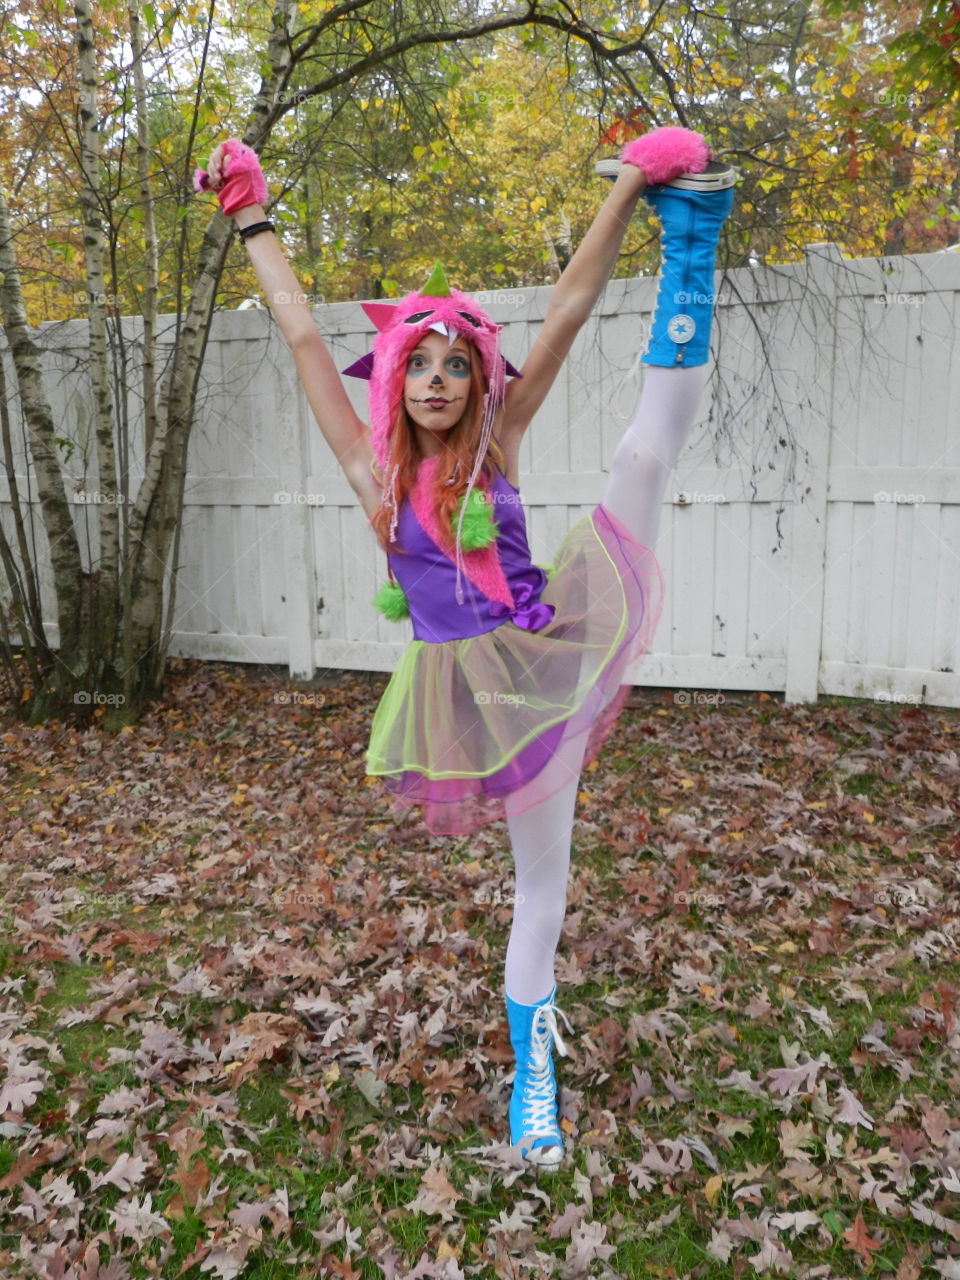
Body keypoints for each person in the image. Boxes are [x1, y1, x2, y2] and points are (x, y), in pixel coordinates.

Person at [195, 127, 735, 1167]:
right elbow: (305, 336)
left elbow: (571, 308)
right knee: (538, 888)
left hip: (554, 652)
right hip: (469, 701)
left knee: (640, 451)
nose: (438, 379)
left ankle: (694, 227)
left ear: (477, 376)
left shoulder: (498, 442)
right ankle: (534, 1065)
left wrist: (628, 181)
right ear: (393, 380)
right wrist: (252, 212)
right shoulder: (376, 478)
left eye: (456, 362)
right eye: (419, 364)